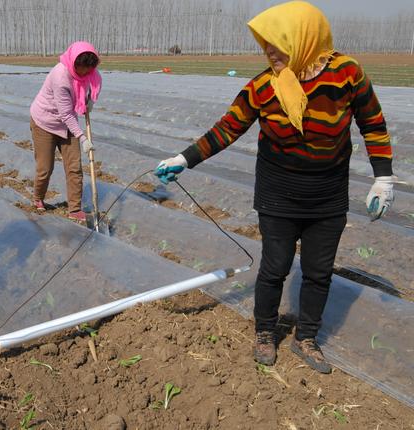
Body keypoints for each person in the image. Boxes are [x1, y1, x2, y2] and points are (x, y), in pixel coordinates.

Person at [154, 1, 396, 373]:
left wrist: (383, 177)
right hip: (278, 191)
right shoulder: (263, 86)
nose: (268, 51)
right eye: (264, 43)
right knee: (275, 266)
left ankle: (307, 338)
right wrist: (185, 158)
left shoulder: (347, 73)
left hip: (328, 193)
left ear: (302, 39)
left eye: (277, 42)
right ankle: (265, 332)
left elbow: (372, 123)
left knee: (318, 270)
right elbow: (227, 128)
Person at [30, 41, 102, 223]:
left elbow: (96, 82)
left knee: (75, 167)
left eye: (88, 69)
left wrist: (91, 100)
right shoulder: (61, 76)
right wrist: (83, 138)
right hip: (45, 122)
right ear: (73, 62)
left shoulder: (91, 73)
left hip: (67, 124)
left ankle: (74, 209)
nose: (85, 72)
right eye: (81, 68)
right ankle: (38, 197)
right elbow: (66, 114)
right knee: (45, 168)